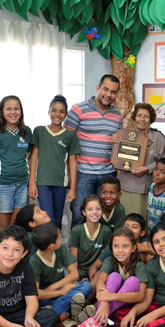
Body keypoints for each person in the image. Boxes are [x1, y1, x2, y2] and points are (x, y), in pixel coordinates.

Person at [65, 75, 123, 227]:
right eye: (105, 89)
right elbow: (66, 142)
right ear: (98, 88)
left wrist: (116, 141)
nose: (108, 94)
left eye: (113, 92)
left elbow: (119, 144)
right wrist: (69, 174)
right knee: (79, 215)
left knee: (101, 218)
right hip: (83, 172)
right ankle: (76, 250)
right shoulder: (78, 109)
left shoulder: (117, 115)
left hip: (107, 173)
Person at [76, 228, 148, 327]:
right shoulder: (109, 260)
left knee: (133, 281)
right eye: (116, 246)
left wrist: (111, 296)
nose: (120, 250)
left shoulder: (139, 266)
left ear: (133, 248)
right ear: (111, 248)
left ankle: (96, 322)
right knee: (114, 276)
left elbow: (140, 296)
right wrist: (104, 302)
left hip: (127, 300)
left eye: (125, 246)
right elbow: (100, 281)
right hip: (109, 300)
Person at [29, 95, 81, 228]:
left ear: (66, 114)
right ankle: (46, 248)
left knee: (57, 221)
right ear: (49, 111)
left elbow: (72, 162)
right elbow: (34, 157)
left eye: (61, 111)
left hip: (60, 184)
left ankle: (55, 248)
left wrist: (73, 189)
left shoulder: (70, 136)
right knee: (48, 220)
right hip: (42, 182)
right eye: (54, 110)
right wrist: (32, 183)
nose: (57, 114)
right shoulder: (39, 131)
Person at [0, 95, 32, 239]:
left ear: (21, 111)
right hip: (3, 185)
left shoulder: (27, 131)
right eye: (8, 109)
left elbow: (29, 158)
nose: (13, 112)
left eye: (16, 109)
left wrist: (31, 183)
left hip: (22, 185)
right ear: (2, 112)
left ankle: (14, 259)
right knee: (3, 228)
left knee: (17, 226)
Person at [115, 103, 165, 217]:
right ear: (134, 117)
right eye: (139, 115)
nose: (142, 119)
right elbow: (117, 158)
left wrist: (147, 169)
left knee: (146, 224)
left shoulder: (158, 137)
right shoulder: (125, 135)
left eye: (146, 116)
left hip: (150, 188)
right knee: (129, 222)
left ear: (151, 119)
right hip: (128, 186)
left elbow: (163, 162)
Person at [30, 222, 92, 319]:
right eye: (59, 238)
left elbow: (75, 274)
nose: (61, 240)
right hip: (47, 296)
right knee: (38, 302)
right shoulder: (34, 262)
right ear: (51, 246)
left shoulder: (60, 249)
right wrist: (60, 291)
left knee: (87, 286)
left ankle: (52, 311)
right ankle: (66, 310)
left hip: (62, 290)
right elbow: (36, 293)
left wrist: (62, 287)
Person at [68, 194, 112, 281]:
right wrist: (76, 279)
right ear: (84, 212)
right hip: (79, 274)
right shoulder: (77, 230)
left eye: (98, 209)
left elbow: (102, 260)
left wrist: (93, 276)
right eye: (90, 209)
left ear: (102, 211)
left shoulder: (106, 231)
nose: (94, 212)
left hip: (97, 273)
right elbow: (73, 260)